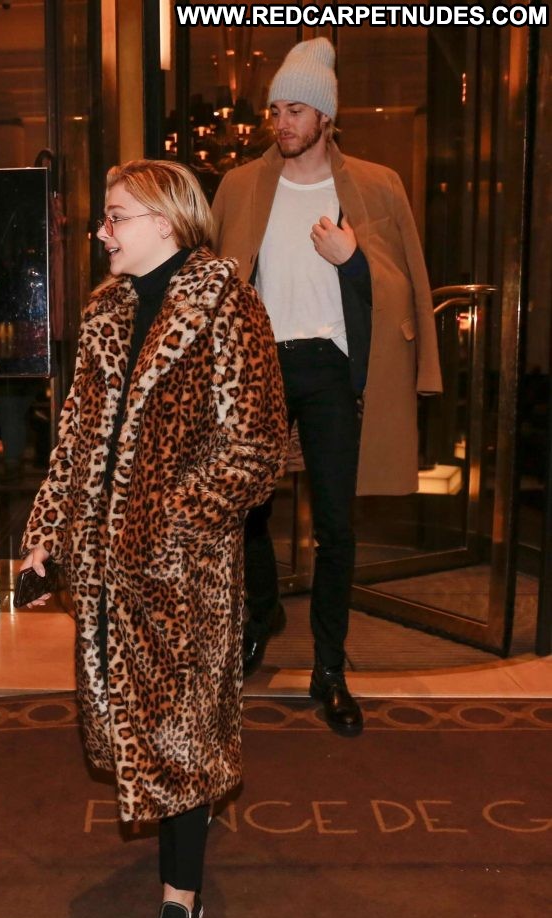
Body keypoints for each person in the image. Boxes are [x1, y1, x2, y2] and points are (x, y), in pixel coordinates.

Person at [19, 159, 288, 918]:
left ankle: (181, 898)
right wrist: (45, 536)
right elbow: (74, 440)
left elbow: (257, 445)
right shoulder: (105, 314)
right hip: (107, 572)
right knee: (138, 725)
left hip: (185, 574)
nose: (101, 231)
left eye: (115, 216)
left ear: (165, 221)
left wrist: (175, 520)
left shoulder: (227, 305)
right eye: (105, 217)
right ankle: (180, 860)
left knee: (181, 734)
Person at [212, 38, 443, 737]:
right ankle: (261, 616)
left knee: (336, 526)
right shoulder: (240, 186)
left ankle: (329, 668)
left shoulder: (376, 185)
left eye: (296, 110)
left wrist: (353, 261)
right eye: (276, 110)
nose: (282, 122)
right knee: (244, 511)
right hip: (260, 365)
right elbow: (214, 280)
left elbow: (405, 284)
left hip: (333, 370)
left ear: (325, 116)